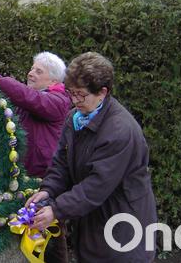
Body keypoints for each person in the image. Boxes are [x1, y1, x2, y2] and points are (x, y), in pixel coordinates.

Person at [26, 52, 158, 263]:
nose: (74, 100)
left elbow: (96, 185)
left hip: (123, 231)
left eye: (81, 94)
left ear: (102, 92)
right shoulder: (74, 119)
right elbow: (61, 164)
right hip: (93, 226)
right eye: (71, 93)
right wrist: (48, 189)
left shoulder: (120, 130)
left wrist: (56, 210)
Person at [0, 52, 70, 263]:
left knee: (51, 238)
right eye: (32, 68)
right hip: (25, 178)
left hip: (44, 181)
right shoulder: (34, 97)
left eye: (38, 71)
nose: (31, 73)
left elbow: (30, 98)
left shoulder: (58, 100)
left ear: (53, 80)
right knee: (27, 238)